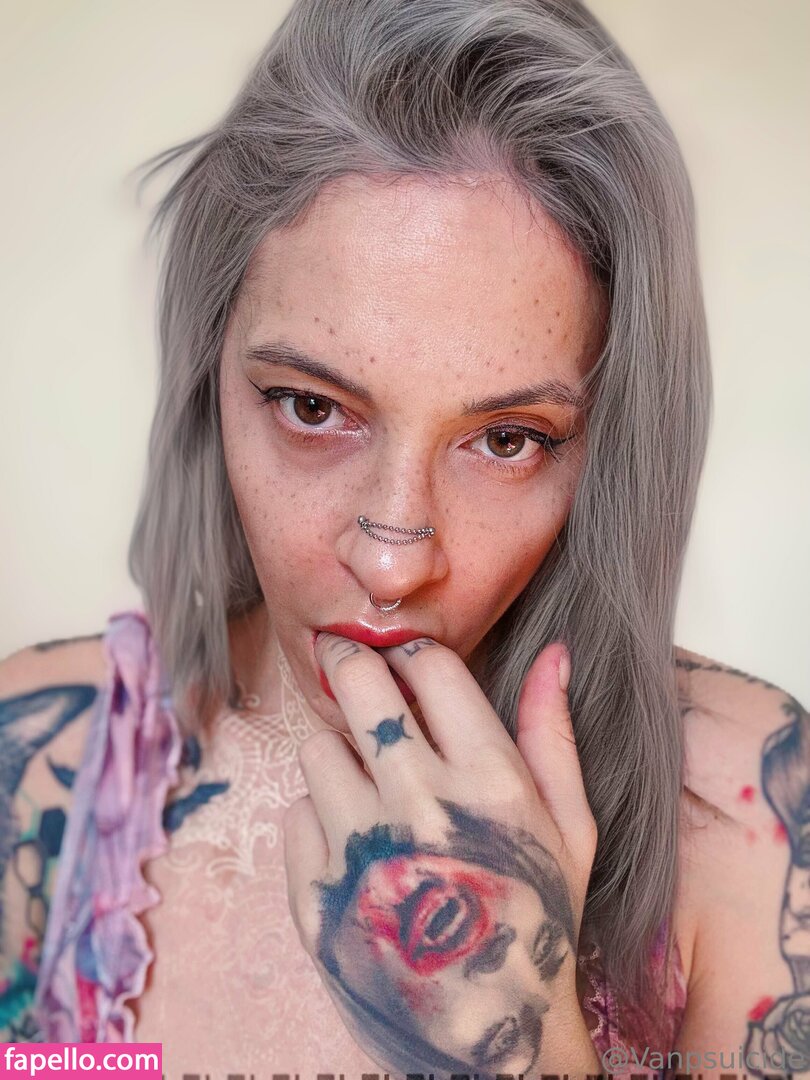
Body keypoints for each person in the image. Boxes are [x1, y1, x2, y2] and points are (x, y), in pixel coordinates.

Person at [1, 0, 807, 1077]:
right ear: (208, 374)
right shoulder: (37, 765)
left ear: (608, 445)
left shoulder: (752, 820)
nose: (390, 561)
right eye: (312, 408)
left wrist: (520, 1044)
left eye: (508, 439)